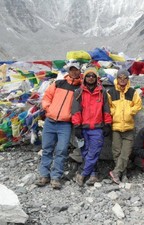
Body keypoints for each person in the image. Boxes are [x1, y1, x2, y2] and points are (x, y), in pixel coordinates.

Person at [36, 61, 82, 189]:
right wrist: (48, 109)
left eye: (76, 70)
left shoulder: (80, 89)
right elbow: (46, 97)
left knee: (61, 150)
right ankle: (44, 175)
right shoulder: (58, 83)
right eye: (72, 69)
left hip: (65, 124)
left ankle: (56, 177)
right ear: (69, 71)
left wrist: (71, 117)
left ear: (79, 72)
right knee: (47, 149)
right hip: (50, 121)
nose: (74, 72)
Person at [71, 67, 112, 186]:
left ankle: (82, 173)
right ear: (84, 77)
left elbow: (106, 109)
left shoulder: (102, 91)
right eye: (88, 76)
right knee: (85, 151)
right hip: (83, 127)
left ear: (96, 78)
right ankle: (93, 174)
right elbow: (76, 110)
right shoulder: (79, 92)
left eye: (93, 76)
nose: (90, 78)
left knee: (94, 152)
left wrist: (107, 124)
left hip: (97, 128)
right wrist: (77, 126)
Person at [107, 69, 142, 184]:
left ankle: (116, 172)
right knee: (116, 152)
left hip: (128, 127)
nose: (122, 80)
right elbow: (108, 106)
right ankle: (123, 174)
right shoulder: (111, 92)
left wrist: (130, 111)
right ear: (117, 79)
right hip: (116, 127)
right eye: (120, 78)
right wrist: (114, 112)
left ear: (128, 79)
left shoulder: (132, 92)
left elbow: (138, 104)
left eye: (125, 78)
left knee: (126, 153)